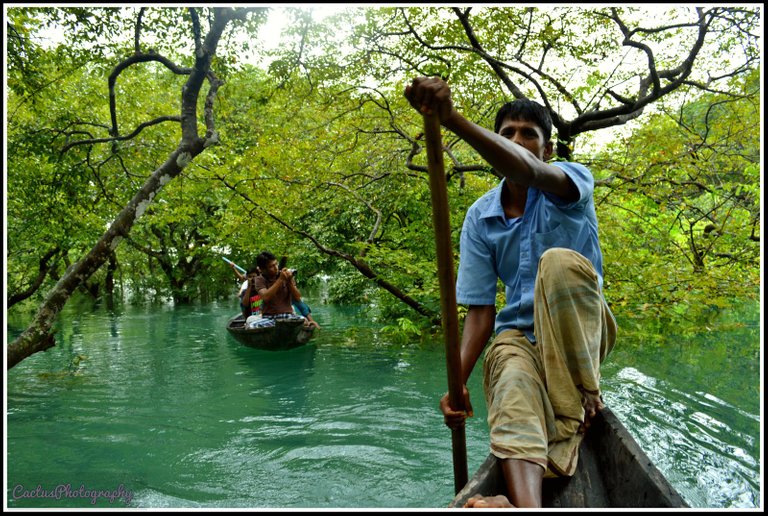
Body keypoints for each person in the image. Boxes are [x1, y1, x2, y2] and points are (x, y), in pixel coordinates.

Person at [404, 76, 617, 508]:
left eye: (529, 135)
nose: (518, 142)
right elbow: (481, 313)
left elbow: (530, 172)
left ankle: (586, 393)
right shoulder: (481, 216)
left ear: (548, 149)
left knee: (556, 263)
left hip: (576, 336)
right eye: (507, 134)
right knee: (511, 374)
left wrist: (453, 120)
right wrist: (456, 385)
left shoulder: (570, 184)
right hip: (519, 336)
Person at [253, 251, 312, 325]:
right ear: (263, 269)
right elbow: (266, 297)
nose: (276, 268)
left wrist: (289, 281)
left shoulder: (286, 276)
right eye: (271, 266)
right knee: (252, 326)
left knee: (304, 321)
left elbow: (297, 297)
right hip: (269, 318)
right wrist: (280, 280)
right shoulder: (259, 279)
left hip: (288, 316)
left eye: (276, 264)